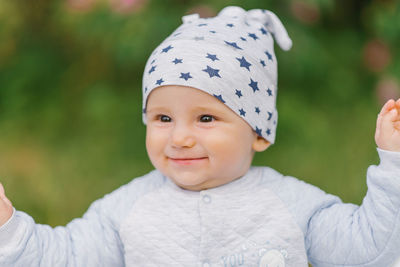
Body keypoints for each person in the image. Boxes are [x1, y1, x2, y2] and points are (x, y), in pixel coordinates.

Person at [1, 5, 400, 267]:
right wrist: (8, 228)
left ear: (259, 132)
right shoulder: (127, 210)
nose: (180, 137)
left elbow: (372, 252)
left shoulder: (293, 206)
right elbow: (65, 257)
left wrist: (394, 166)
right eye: (162, 117)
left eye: (206, 118)